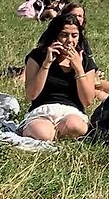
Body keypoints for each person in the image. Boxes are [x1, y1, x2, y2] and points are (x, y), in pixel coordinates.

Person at [20, 13, 98, 142]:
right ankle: (50, 134)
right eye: (64, 35)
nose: (69, 40)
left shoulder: (85, 62)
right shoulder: (37, 56)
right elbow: (31, 94)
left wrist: (78, 68)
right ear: (55, 35)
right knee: (42, 133)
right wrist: (46, 64)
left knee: (75, 126)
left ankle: (56, 135)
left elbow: (87, 101)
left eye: (74, 35)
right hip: (42, 110)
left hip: (72, 112)